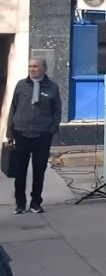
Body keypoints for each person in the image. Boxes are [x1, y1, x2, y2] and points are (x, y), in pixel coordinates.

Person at [6, 58, 62, 214]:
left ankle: (36, 202)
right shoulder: (21, 85)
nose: (32, 69)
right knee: (20, 171)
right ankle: (20, 203)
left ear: (43, 69)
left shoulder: (52, 87)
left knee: (39, 171)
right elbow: (13, 108)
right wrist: (9, 132)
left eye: (35, 66)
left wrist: (52, 128)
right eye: (30, 66)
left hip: (42, 135)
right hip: (21, 133)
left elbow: (57, 110)